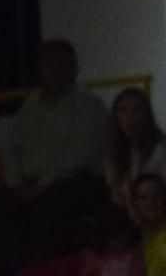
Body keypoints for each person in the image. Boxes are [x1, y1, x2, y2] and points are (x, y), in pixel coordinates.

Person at [6, 38, 112, 199]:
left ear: (75, 68)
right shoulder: (30, 105)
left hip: (73, 185)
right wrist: (15, 184)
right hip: (30, 186)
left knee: (49, 207)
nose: (56, 70)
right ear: (39, 68)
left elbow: (75, 159)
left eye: (63, 63)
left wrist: (39, 187)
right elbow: (11, 148)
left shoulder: (89, 105)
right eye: (49, 63)